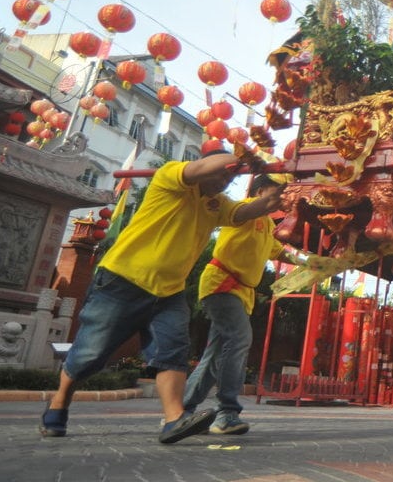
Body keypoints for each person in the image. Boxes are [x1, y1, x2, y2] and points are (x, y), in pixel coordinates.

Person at [40, 149, 283, 444]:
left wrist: (291, 184)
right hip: (122, 279)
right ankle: (59, 401)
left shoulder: (217, 205)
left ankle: (173, 420)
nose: (224, 180)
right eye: (222, 173)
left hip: (169, 291)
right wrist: (243, 159)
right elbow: (211, 165)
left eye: (230, 177)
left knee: (173, 350)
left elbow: (261, 206)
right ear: (204, 167)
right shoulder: (171, 177)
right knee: (92, 353)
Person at [183, 174, 302, 435]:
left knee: (215, 354)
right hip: (222, 283)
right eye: (277, 189)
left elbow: (276, 250)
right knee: (239, 339)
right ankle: (226, 413)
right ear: (261, 191)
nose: (283, 195)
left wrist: (308, 262)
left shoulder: (268, 224)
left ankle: (183, 413)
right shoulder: (246, 210)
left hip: (239, 291)